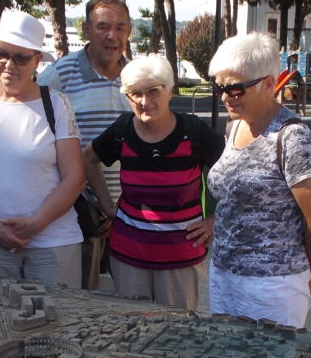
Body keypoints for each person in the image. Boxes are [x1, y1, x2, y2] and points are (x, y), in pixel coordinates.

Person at [205, 32, 311, 328]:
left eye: (236, 89)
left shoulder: (293, 137)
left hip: (273, 286)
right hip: (223, 276)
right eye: (220, 87)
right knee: (223, 354)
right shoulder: (234, 125)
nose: (225, 97)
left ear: (268, 84)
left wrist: (308, 275)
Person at [0, 10, 84, 287]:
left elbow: (75, 177)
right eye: (2, 54)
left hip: (52, 243)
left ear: (37, 60)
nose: (9, 64)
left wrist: (37, 224)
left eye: (20, 57)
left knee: (60, 315)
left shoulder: (57, 104)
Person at [84, 55, 223, 309]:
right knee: (132, 328)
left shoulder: (192, 131)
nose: (144, 102)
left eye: (153, 91)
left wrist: (216, 219)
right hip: (128, 256)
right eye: (135, 93)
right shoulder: (122, 131)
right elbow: (88, 159)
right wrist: (107, 206)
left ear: (169, 90)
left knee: (177, 329)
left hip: (180, 258)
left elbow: (234, 172)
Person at [37, 0, 132, 288]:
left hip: (130, 207)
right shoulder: (58, 75)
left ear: (129, 31)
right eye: (103, 26)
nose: (112, 35)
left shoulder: (136, 78)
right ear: (87, 30)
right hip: (79, 207)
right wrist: (97, 205)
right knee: (82, 297)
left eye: (120, 27)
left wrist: (117, 208)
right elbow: (39, 137)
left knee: (134, 298)